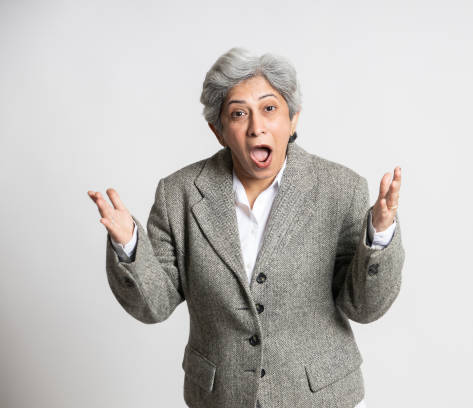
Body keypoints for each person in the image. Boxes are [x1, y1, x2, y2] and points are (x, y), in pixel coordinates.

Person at [88, 47, 404, 408]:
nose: (257, 127)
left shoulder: (340, 188)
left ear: (293, 119)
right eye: (239, 114)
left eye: (270, 109)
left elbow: (363, 308)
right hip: (221, 398)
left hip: (322, 397)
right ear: (218, 130)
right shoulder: (179, 194)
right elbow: (154, 306)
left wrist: (379, 234)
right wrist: (129, 245)